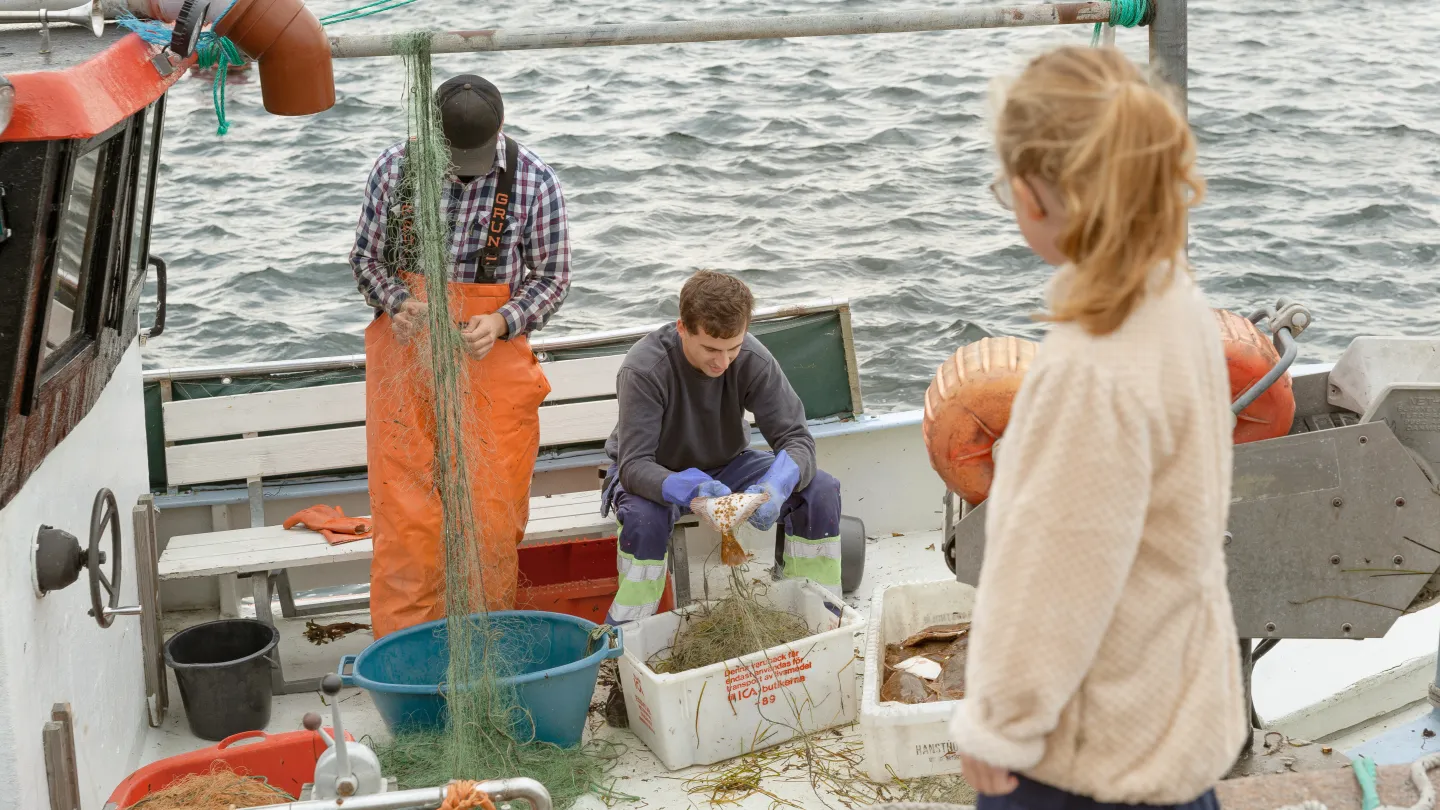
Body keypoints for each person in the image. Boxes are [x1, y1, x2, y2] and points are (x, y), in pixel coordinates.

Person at [946, 46, 1247, 809]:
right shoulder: (1173, 300)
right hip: (1171, 724)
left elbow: (1059, 566)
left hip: (1086, 762)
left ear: (1029, 196)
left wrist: (999, 722)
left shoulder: (1088, 370)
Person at [349, 74, 570, 638]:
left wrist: (502, 321)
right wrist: (395, 301)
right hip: (405, 366)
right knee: (406, 524)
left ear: (500, 130)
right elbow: (366, 260)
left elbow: (552, 278)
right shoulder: (392, 171)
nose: (465, 170)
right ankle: (406, 658)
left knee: (490, 522)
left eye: (475, 159)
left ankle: (482, 652)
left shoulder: (535, 183)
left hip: (491, 368)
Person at [599, 270, 843, 625]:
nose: (722, 362)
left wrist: (777, 486)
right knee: (643, 519)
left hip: (728, 463)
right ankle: (630, 629)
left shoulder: (752, 359)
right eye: (711, 349)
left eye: (733, 348)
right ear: (682, 327)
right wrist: (693, 490)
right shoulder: (644, 368)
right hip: (655, 472)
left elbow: (796, 438)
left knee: (820, 488)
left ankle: (817, 613)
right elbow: (634, 465)